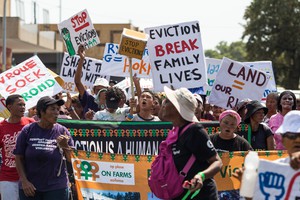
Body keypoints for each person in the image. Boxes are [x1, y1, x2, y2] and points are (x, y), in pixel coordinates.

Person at [159, 86, 222, 199]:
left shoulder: (195, 131)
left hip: (201, 196)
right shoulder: (176, 131)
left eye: (167, 101)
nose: (163, 104)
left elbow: (217, 162)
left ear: (176, 108)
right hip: (182, 195)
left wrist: (201, 176)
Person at [13, 96, 74, 200]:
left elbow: (71, 159)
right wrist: (24, 181)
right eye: (52, 109)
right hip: (31, 188)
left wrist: (65, 146)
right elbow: (18, 157)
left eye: (57, 109)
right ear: (42, 111)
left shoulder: (63, 131)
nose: (56, 112)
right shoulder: (28, 130)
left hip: (56, 188)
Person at [233, 110, 300, 199]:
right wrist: (247, 187)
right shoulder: (272, 171)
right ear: (283, 140)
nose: (297, 140)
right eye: (292, 135)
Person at [0, 94, 35, 200]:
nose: (23, 107)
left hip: (30, 176)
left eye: (24, 105)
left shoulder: (31, 123)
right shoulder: (1, 127)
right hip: (8, 177)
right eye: (19, 105)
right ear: (9, 107)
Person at [74, 44, 109, 115]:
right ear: (94, 91)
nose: (101, 93)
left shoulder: (112, 103)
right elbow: (77, 82)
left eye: (103, 90)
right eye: (98, 90)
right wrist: (81, 59)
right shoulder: (89, 99)